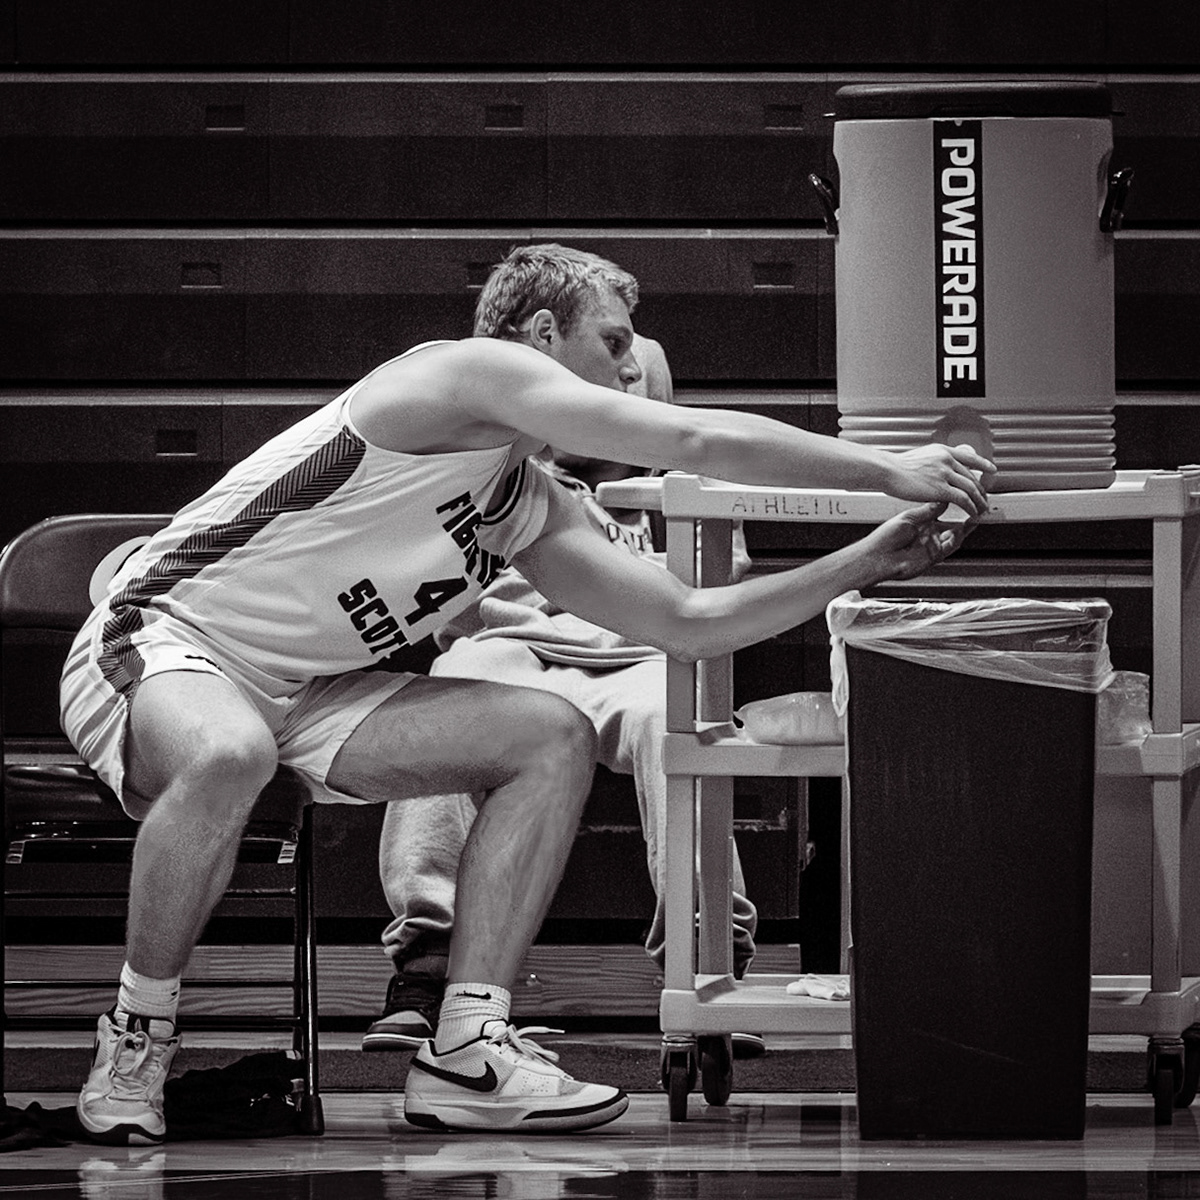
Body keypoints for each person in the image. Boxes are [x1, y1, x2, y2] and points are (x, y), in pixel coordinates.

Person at [59, 242, 992, 1143]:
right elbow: (696, 434)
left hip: (310, 691)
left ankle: (465, 1044)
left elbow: (688, 623)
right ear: (541, 334)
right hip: (168, 641)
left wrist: (863, 558)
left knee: (549, 736)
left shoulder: (525, 499)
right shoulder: (458, 376)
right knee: (232, 752)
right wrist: (885, 470)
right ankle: (135, 1039)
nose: (631, 371)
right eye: (615, 342)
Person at [361, 333, 770, 1057]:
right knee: (448, 696)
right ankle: (429, 969)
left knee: (678, 719)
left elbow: (719, 596)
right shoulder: (502, 472)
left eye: (631, 387)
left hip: (645, 659)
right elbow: (450, 606)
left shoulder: (692, 493)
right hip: (515, 652)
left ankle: (708, 963)